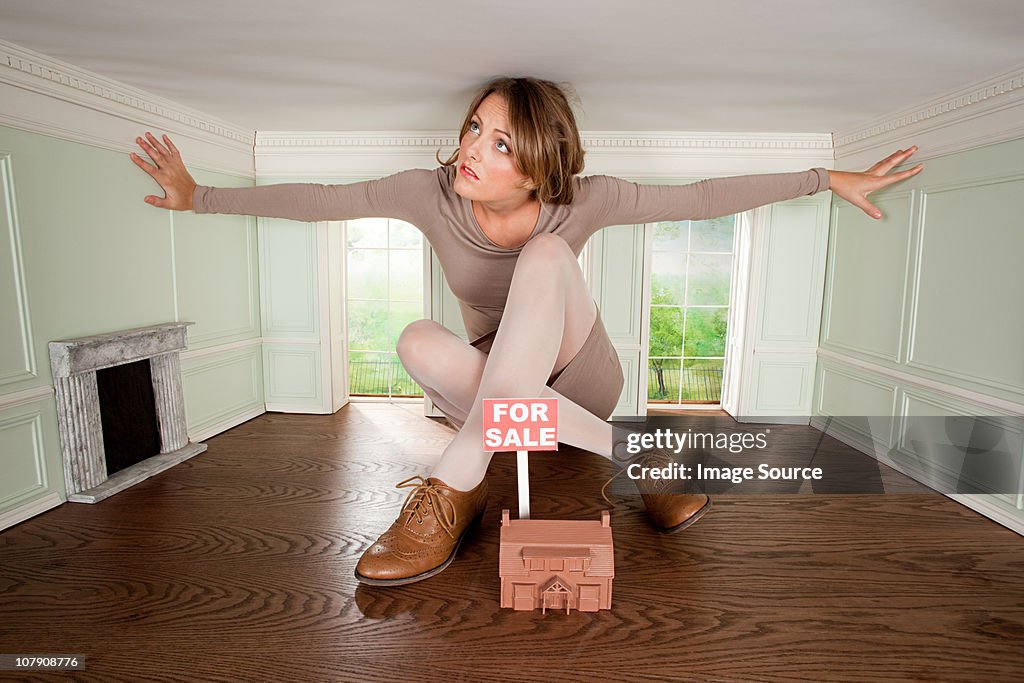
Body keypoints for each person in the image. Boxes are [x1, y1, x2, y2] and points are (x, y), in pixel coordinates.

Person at [130, 77, 924, 586]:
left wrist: (827, 178)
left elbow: (704, 195)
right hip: (503, 384)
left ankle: (452, 488)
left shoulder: (583, 201)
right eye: (475, 128)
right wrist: (199, 197)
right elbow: (323, 198)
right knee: (414, 338)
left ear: (540, 166)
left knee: (547, 253)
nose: (471, 150)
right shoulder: (428, 192)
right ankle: (644, 459)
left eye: (499, 142)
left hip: (581, 375)